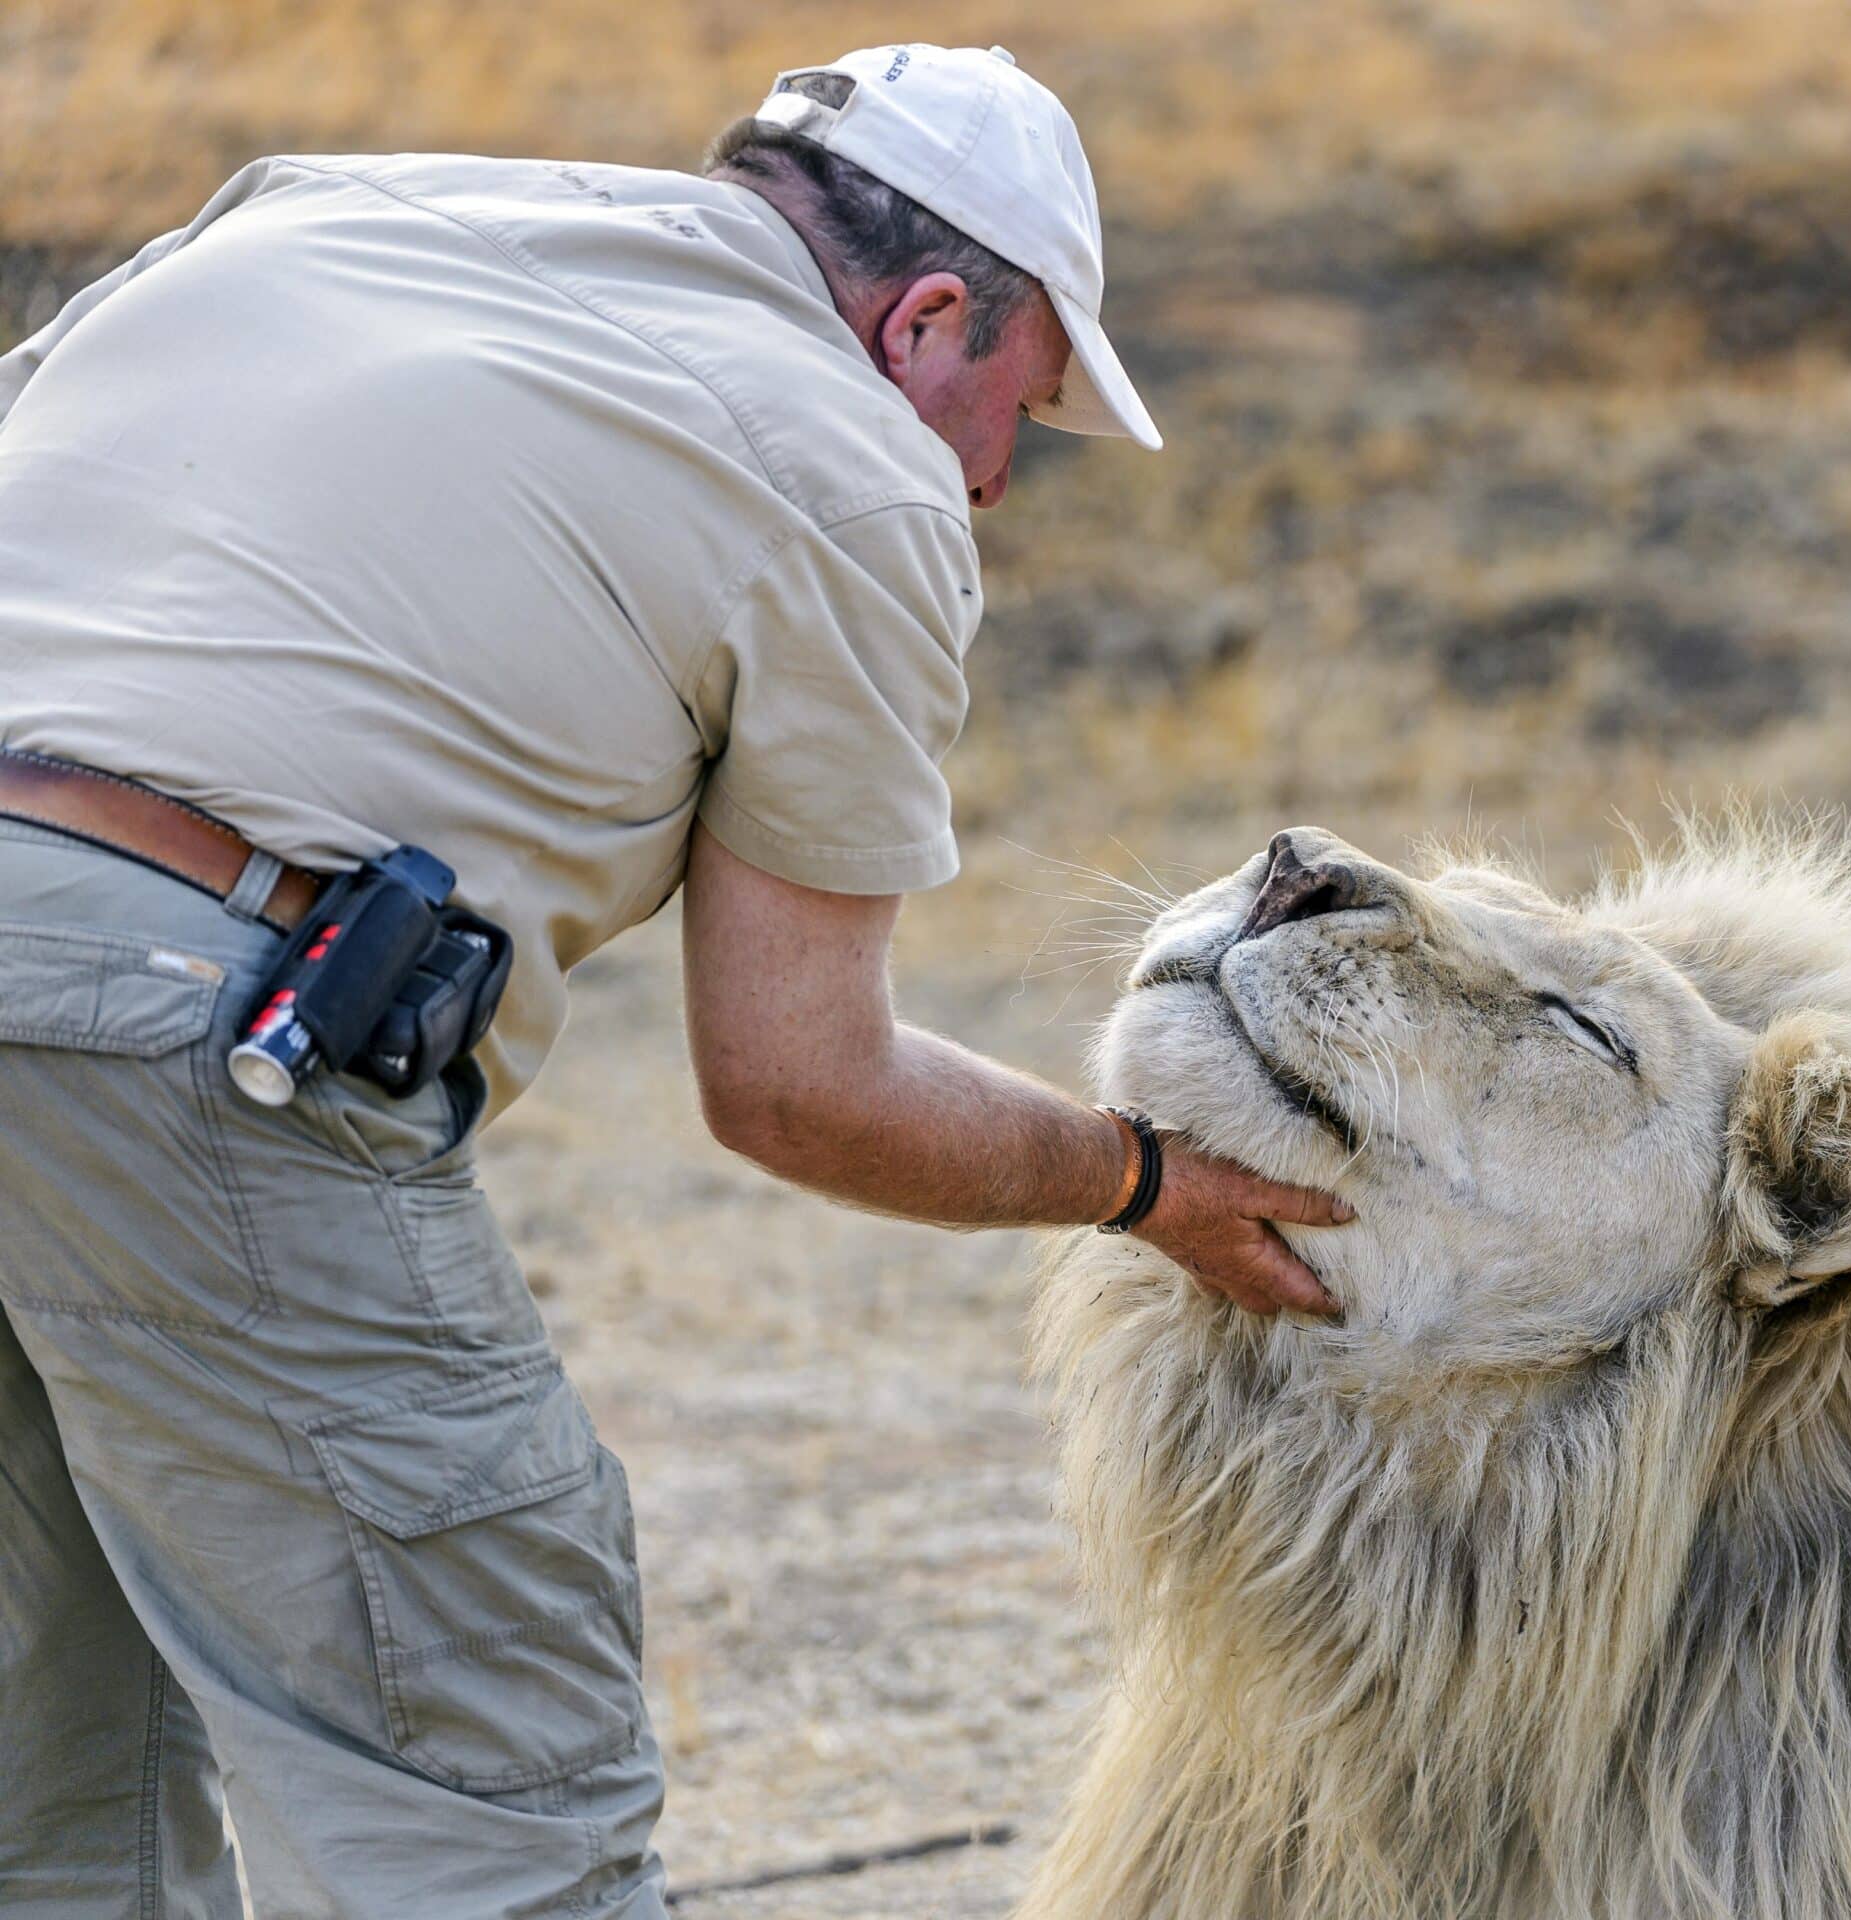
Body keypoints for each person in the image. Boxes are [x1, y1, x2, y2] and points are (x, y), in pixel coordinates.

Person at [0, 43, 1344, 1918]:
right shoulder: (850, 465)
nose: (994, 487)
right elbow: (801, 1084)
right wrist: (1142, 1183)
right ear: (928, 316)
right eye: (1016, 417)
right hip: (184, 1032)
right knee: (489, 1795)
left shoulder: (318, 209)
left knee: (44, 1794)